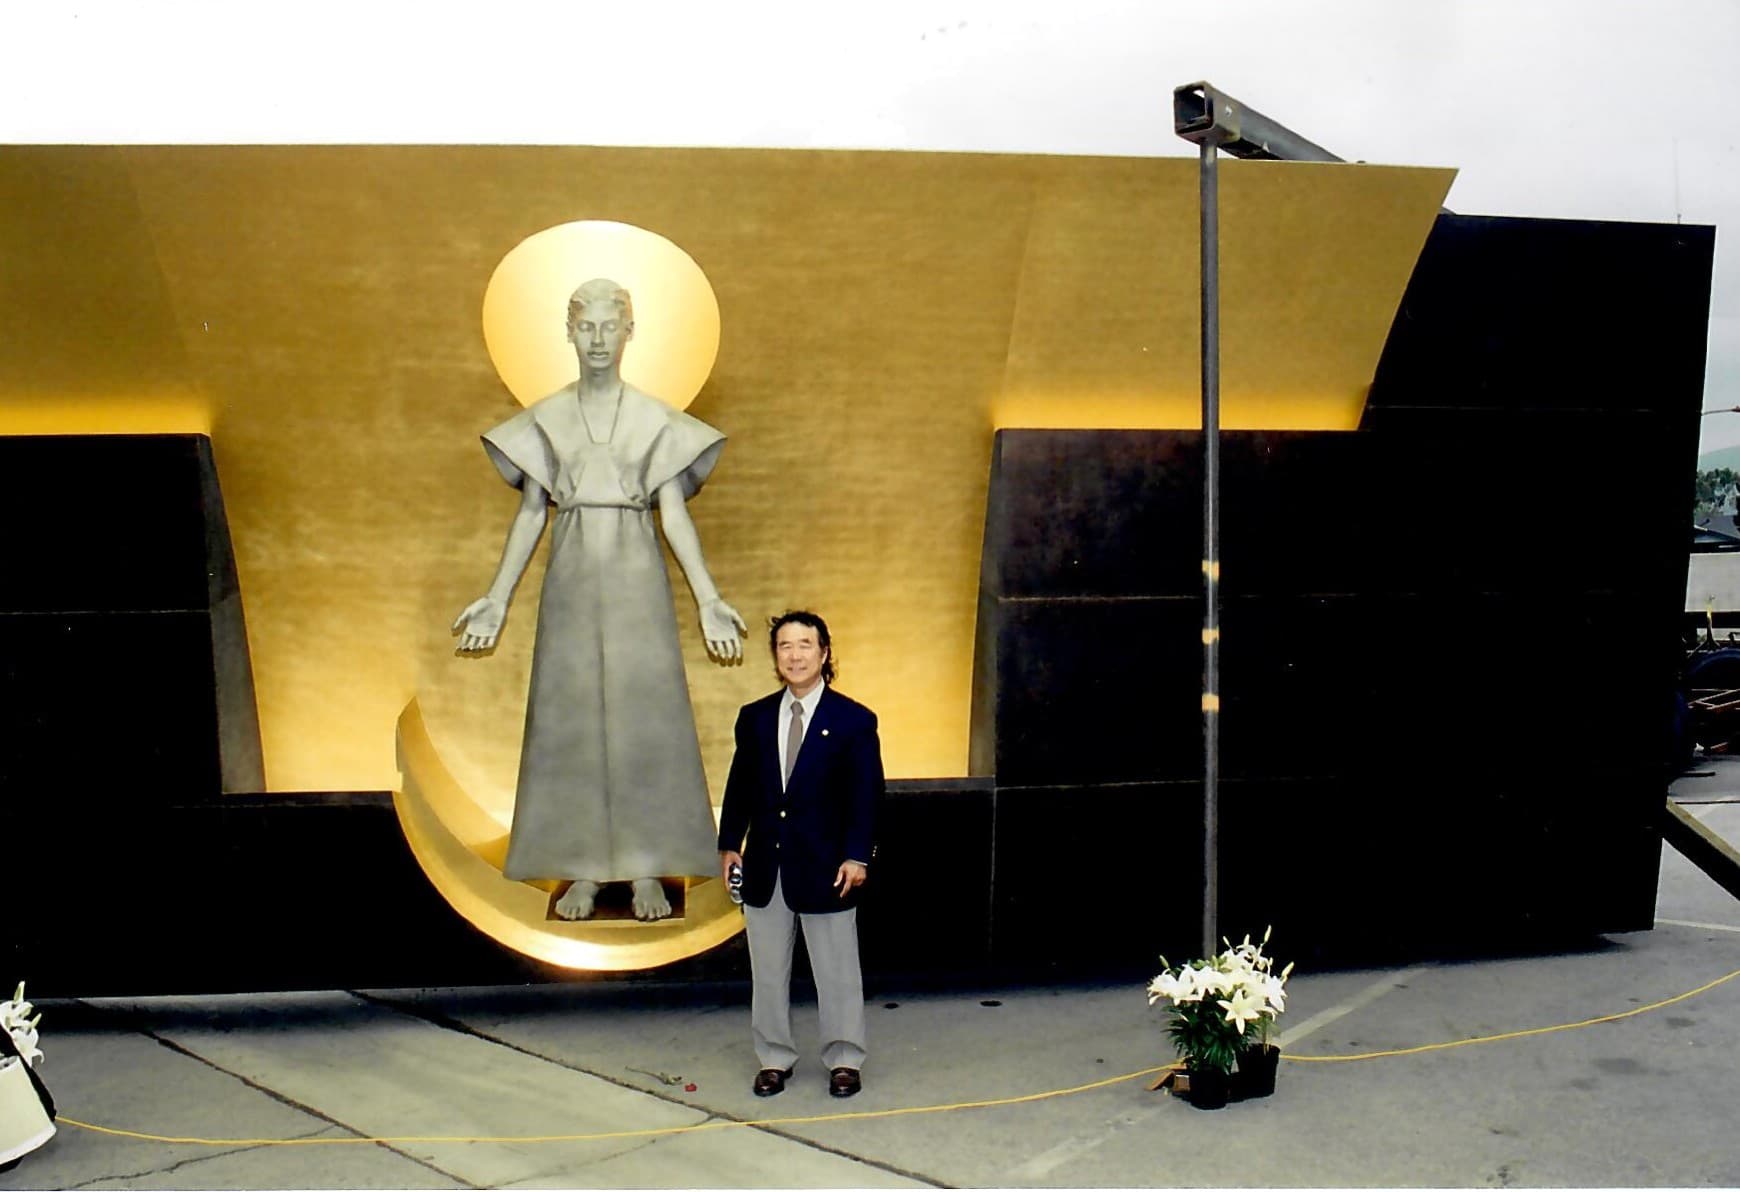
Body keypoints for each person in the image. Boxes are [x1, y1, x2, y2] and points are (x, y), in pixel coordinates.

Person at [453, 277, 747, 922]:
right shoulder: (548, 418)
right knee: (572, 722)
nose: (597, 340)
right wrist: (497, 597)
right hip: (572, 574)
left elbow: (674, 515)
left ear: (631, 331)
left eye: (610, 326)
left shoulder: (654, 420)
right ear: (567, 331)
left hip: (637, 574)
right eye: (586, 326)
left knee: (645, 718)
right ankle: (582, 867)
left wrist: (708, 599)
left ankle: (645, 866)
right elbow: (533, 512)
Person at [717, 610, 882, 1098]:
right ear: (775, 657)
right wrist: (730, 843)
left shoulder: (853, 720)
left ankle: (845, 1059)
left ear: (824, 653)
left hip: (828, 867)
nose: (794, 655)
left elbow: (866, 796)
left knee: (837, 973)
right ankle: (773, 1058)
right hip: (767, 866)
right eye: (785, 646)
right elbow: (740, 785)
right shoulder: (755, 717)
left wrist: (858, 856)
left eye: (804, 645)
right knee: (767, 973)